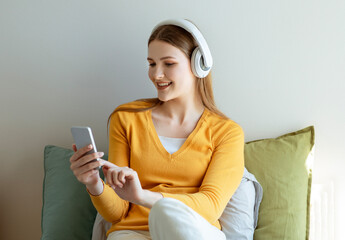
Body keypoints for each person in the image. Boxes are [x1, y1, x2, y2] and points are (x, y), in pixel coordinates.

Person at [70, 19, 244, 240]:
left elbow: (211, 205)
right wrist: (94, 183)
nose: (156, 74)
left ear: (199, 65)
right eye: (152, 64)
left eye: (168, 64)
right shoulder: (125, 119)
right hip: (134, 232)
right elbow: (118, 212)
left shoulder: (226, 132)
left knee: (165, 214)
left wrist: (143, 197)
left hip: (193, 230)